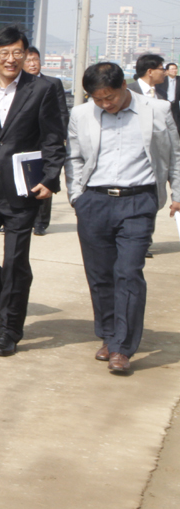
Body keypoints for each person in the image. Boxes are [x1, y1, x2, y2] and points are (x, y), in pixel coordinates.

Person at [0, 25, 67, 357]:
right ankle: (6, 301)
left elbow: (52, 139)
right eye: (3, 53)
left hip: (22, 189)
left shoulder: (42, 88)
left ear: (26, 54)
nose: (11, 59)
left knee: (16, 261)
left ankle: (10, 330)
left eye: (17, 52)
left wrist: (49, 179)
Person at [65, 62, 180, 374]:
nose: (105, 104)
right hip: (95, 201)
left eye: (110, 97)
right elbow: (73, 156)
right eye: (97, 99)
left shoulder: (157, 109)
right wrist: (77, 196)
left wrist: (177, 193)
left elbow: (175, 153)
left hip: (138, 201)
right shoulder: (81, 114)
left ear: (124, 86)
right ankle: (108, 335)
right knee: (100, 274)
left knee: (128, 272)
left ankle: (122, 348)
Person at [23, 46, 69, 236]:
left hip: (45, 140)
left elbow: (61, 112)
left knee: (46, 178)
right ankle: (23, 217)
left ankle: (41, 221)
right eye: (28, 60)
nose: (33, 64)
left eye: (36, 59)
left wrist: (60, 135)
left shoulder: (52, 83)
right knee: (23, 179)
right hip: (24, 141)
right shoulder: (18, 84)